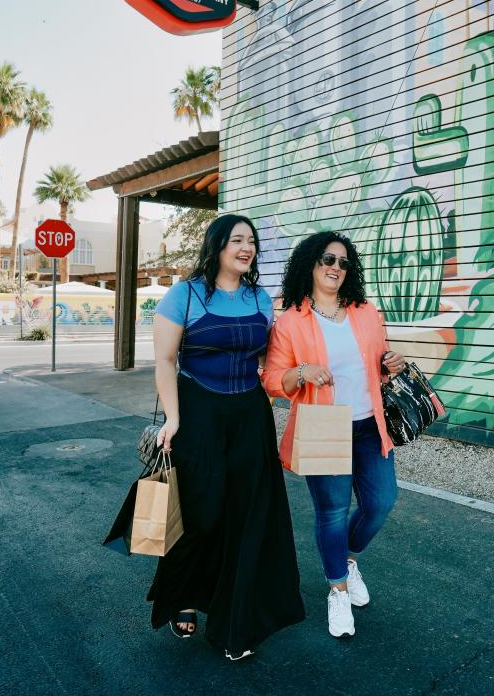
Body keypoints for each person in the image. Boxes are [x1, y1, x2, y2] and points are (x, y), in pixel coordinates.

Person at [148, 214, 304, 661]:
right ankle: (185, 595)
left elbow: (272, 359)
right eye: (237, 240)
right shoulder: (185, 293)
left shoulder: (260, 298)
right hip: (198, 413)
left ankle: (237, 621)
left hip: (250, 416)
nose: (246, 247)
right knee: (202, 512)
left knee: (248, 514)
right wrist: (173, 419)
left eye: (251, 241)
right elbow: (165, 361)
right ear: (217, 246)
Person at [263, 231, 407, 639]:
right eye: (328, 259)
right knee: (332, 511)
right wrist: (301, 373)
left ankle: (347, 559)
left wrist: (389, 362)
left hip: (368, 423)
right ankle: (337, 590)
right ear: (310, 263)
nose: (335, 268)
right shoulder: (292, 320)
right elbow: (273, 379)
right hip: (323, 423)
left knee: (381, 502)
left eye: (343, 262)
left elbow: (374, 364)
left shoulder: (365, 311)